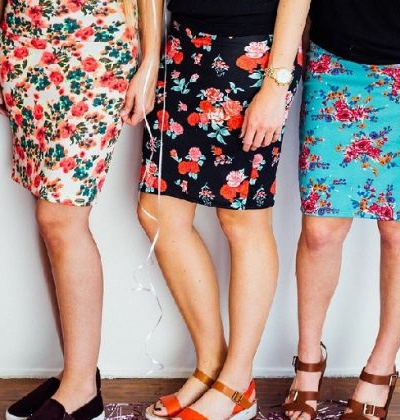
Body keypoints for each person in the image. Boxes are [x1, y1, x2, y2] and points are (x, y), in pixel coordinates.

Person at [283, 1, 400, 419]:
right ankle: (307, 359)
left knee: (399, 230)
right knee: (320, 231)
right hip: (334, 64)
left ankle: (381, 366)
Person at [0, 0, 162, 418]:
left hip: (96, 43)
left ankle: (81, 390)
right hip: (25, 42)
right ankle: (75, 375)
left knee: (60, 217)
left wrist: (150, 61)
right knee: (48, 215)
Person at [136, 1, 309, 419]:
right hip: (182, 47)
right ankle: (212, 367)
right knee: (158, 210)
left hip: (252, 53)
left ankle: (237, 385)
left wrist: (276, 81)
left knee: (243, 220)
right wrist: (150, 58)